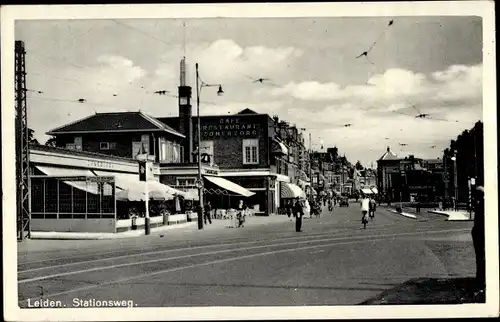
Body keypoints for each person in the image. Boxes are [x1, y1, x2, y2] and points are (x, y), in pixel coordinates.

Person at [471, 185, 485, 294]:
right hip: (479, 233)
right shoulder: (481, 203)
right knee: (481, 258)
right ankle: (480, 281)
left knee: (480, 259)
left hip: (479, 233)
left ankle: (480, 282)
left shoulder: (480, 204)